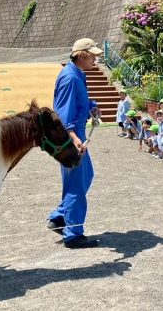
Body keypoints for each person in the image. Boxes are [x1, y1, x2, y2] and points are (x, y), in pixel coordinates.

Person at [47, 38, 103, 249]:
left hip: (74, 132)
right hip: (70, 135)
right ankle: (73, 233)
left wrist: (92, 106)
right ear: (81, 55)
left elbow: (79, 101)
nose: (95, 60)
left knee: (85, 176)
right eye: (92, 56)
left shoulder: (77, 74)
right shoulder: (70, 78)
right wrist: (73, 137)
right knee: (76, 184)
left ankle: (60, 217)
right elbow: (62, 113)